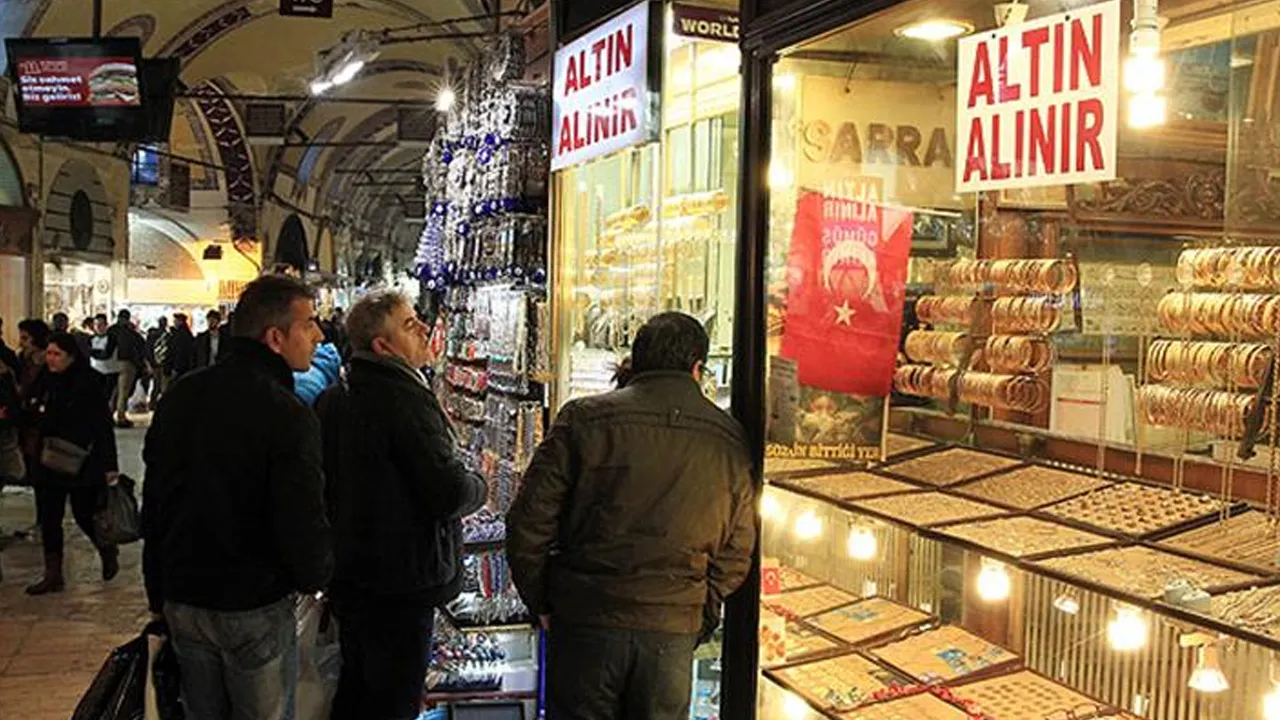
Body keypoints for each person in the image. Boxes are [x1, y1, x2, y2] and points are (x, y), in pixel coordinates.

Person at [506, 312, 757, 720]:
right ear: (697, 368)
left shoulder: (584, 420)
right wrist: (697, 611)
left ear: (636, 361)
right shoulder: (727, 439)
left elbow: (527, 524)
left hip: (586, 618)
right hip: (671, 629)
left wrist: (544, 602)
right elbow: (737, 550)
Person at [142, 275, 331, 720]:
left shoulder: (181, 395)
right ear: (275, 337)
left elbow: (157, 500)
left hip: (183, 596)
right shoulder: (286, 414)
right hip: (252, 604)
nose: (319, 336)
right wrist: (315, 576)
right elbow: (299, 516)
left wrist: (158, 587)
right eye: (309, 324)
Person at [317, 291, 486, 720]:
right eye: (410, 325)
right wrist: (479, 486)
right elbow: (446, 491)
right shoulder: (406, 401)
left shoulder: (337, 397)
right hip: (402, 579)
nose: (425, 330)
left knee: (357, 688)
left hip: (354, 576)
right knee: (394, 695)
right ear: (382, 346)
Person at [23, 332, 121, 594]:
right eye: (50, 354)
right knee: (50, 517)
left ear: (71, 357)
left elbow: (102, 427)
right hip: (47, 458)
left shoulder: (88, 384)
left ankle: (105, 548)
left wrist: (109, 465)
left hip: (81, 461)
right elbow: (29, 407)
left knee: (83, 513)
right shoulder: (45, 380)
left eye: (58, 355)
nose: (51, 360)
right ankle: (52, 573)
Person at [91, 310, 146, 428]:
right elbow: (139, 348)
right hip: (127, 364)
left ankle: (108, 416)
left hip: (109, 365)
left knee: (112, 392)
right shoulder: (131, 333)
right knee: (123, 392)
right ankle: (121, 417)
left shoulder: (111, 330)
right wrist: (141, 366)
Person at [146, 316, 170, 409]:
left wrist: (149, 362)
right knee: (163, 386)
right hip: (163, 363)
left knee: (156, 385)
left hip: (156, 363)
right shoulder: (167, 335)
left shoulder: (152, 335)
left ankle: (153, 403)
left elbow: (148, 350)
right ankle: (160, 404)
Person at [167, 313, 197, 379]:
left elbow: (179, 352)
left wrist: (176, 368)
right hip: (184, 366)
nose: (174, 322)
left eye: (176, 320)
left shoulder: (181, 335)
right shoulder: (186, 333)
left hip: (179, 367)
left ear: (181, 321)